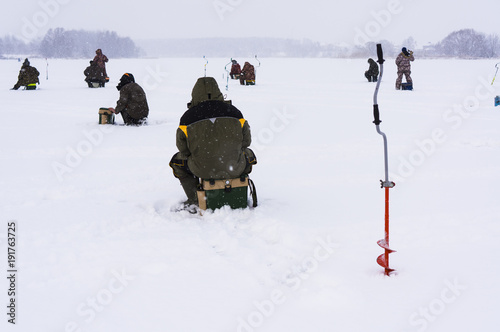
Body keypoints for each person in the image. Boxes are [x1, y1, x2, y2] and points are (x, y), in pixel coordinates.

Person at [169, 77, 257, 212]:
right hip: (234, 166)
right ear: (218, 91)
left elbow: (183, 149)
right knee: (249, 154)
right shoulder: (235, 112)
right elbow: (246, 142)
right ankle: (237, 185)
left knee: (177, 162)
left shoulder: (187, 118)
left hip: (201, 168)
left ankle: (195, 199)